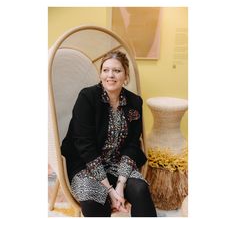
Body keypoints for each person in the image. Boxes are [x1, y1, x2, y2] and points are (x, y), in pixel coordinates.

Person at [61, 50, 157, 217]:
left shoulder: (134, 102)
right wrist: (111, 191)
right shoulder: (87, 97)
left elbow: (133, 144)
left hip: (118, 164)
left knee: (140, 190)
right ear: (100, 74)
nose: (110, 75)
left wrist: (120, 185)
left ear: (126, 76)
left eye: (117, 71)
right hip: (86, 165)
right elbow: (85, 146)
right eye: (105, 70)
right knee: (96, 201)